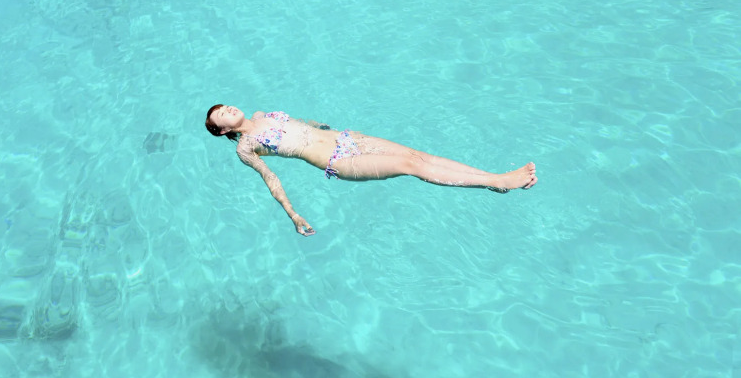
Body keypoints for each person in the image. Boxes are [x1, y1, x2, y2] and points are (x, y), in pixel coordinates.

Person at [205, 105, 537, 236]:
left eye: (224, 105)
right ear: (222, 130)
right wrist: (292, 214)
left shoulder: (263, 114)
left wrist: (323, 125)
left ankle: (494, 179)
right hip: (338, 161)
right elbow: (271, 178)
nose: (227, 109)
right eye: (221, 114)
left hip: (348, 138)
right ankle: (498, 181)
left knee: (417, 154)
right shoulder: (245, 148)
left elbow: (302, 122)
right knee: (411, 166)